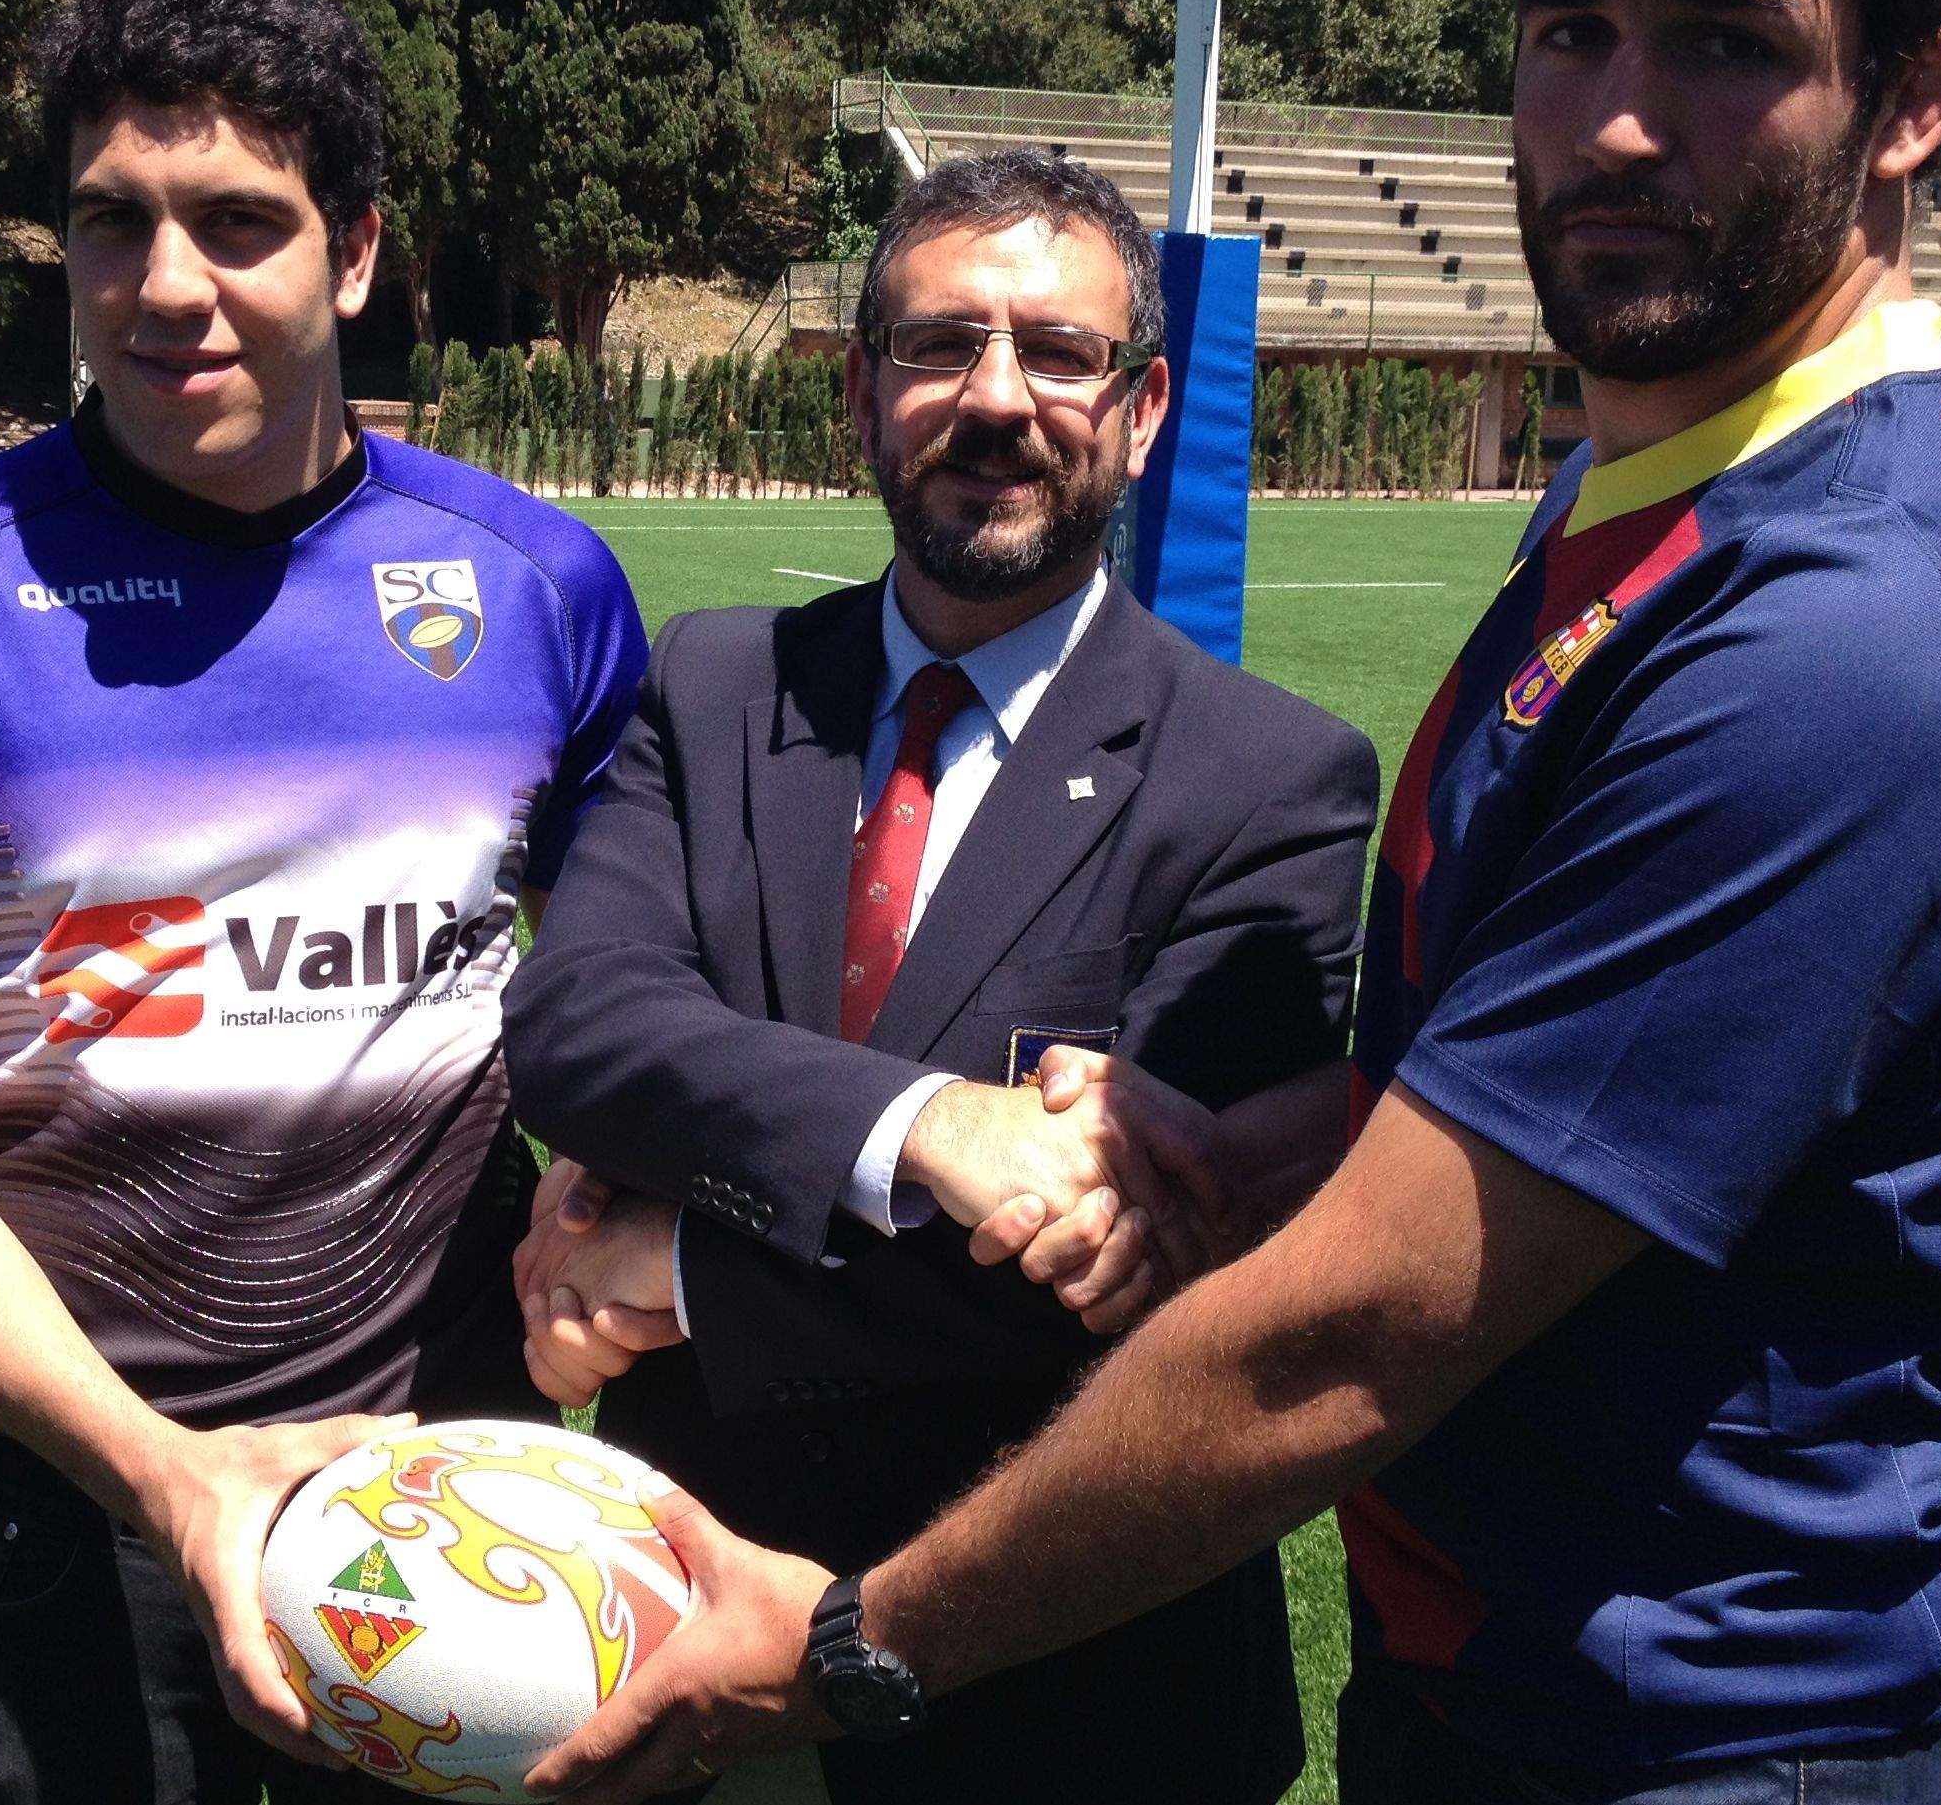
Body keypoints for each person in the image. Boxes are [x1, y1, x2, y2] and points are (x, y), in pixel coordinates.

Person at [519, 0, 1941, 1802]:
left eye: (1725, 41)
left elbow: (1359, 1329)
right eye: (1572, 31)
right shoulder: (1667, 509)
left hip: (1734, 1735)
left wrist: (861, 1634)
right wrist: (1234, 1145)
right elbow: (1511, 1095)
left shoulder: (1853, 637)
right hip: (1542, 1688)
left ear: (1916, 96)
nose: (1624, 125)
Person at [0, 0, 646, 1803]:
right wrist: (156, 1464)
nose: (167, 289)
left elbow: (632, 989)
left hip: (451, 1510)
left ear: (358, 249)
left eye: (239, 220)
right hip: (66, 1513)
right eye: (109, 223)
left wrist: (616, 1199)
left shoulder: (541, 587)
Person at [496, 146, 1380, 1804]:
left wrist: (676, 1264)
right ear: (859, 389)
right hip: (687, 1636)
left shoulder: (1270, 777)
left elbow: (1140, 1261)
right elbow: (578, 1026)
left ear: (1142, 403)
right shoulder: (718, 678)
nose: (996, 399)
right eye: (937, 345)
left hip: (1066, 1687)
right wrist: (924, 1127)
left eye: (1058, 352)